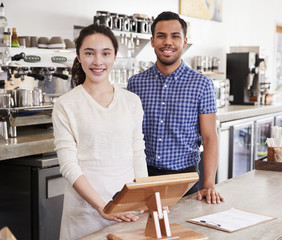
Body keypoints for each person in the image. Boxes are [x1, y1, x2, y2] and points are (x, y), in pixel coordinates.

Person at [52, 23, 148, 240]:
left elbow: (137, 151)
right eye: (89, 53)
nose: (98, 61)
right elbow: (68, 164)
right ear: (78, 56)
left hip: (127, 208)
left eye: (106, 53)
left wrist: (145, 196)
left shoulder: (131, 102)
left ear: (114, 56)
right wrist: (102, 205)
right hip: (84, 212)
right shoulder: (66, 104)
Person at [127, 11, 223, 204]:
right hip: (143, 175)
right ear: (153, 41)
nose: (167, 42)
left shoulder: (201, 84)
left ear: (184, 41)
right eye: (161, 36)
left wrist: (209, 184)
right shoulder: (135, 83)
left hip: (185, 179)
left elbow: (210, 137)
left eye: (175, 36)